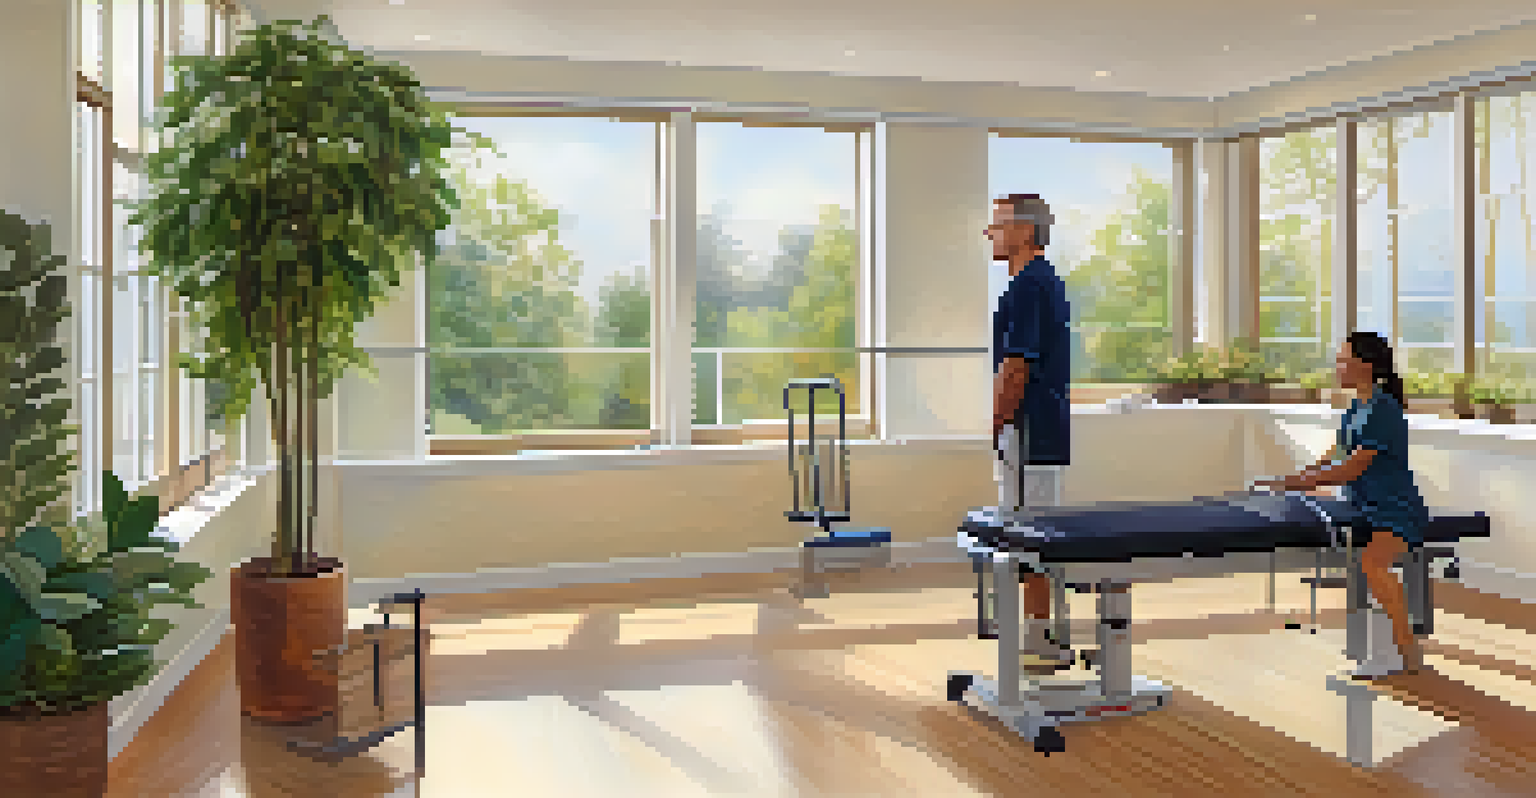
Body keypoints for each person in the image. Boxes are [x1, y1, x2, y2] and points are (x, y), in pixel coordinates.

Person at [1254, 331, 1430, 677]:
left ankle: (1406, 649)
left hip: (1394, 508)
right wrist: (1299, 477)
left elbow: (1352, 467)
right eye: (1338, 360)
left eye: (1344, 361)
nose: (1338, 368)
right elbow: (1336, 454)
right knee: (1361, 560)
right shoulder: (1357, 407)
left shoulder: (1383, 409)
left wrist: (1297, 482)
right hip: (1361, 504)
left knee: (1373, 564)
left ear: (1367, 366)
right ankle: (1389, 646)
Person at [987, 193, 1073, 672]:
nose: (989, 234)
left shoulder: (1028, 287)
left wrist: (997, 422)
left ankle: (1045, 634)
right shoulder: (1043, 282)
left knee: (1030, 535)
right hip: (1039, 431)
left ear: (1024, 230)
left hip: (1029, 433)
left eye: (997, 225)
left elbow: (1015, 369)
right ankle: (1042, 631)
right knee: (1032, 533)